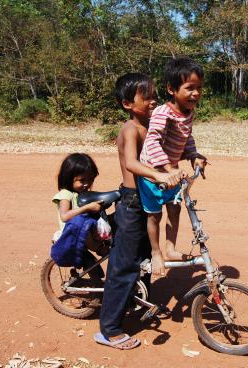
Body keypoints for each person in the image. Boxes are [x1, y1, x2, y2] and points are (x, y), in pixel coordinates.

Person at [95, 73, 182, 350]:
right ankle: (108, 330)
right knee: (124, 266)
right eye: (146, 97)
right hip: (132, 202)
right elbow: (132, 163)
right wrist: (158, 176)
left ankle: (138, 299)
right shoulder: (130, 129)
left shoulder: (154, 127)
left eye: (155, 95)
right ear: (127, 104)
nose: (153, 100)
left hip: (149, 199)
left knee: (145, 257)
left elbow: (174, 148)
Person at [139, 57, 208, 277]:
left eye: (199, 88)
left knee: (175, 209)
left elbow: (186, 137)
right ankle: (156, 251)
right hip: (153, 174)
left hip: (172, 173)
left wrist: (193, 156)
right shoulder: (163, 112)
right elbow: (152, 142)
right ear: (171, 89)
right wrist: (169, 168)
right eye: (190, 88)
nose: (195, 93)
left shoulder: (188, 113)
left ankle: (170, 248)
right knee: (154, 216)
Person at [51, 153, 107, 265]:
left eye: (90, 179)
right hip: (74, 234)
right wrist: (87, 208)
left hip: (83, 231)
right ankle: (101, 249)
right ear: (68, 178)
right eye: (82, 180)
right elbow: (65, 216)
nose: (87, 184)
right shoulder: (66, 195)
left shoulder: (82, 194)